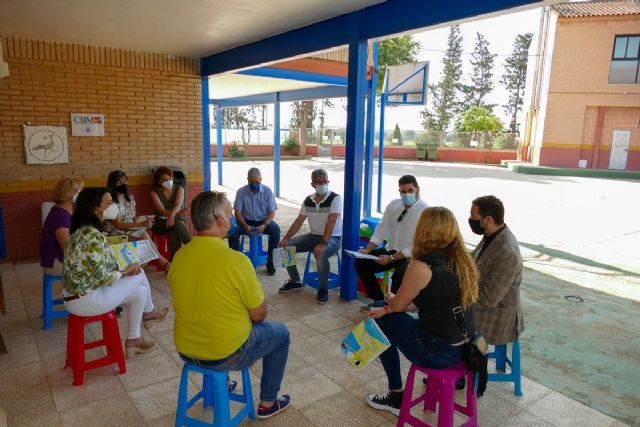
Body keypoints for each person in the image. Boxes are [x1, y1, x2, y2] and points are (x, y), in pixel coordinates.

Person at [168, 191, 291, 420]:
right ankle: (268, 402)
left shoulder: (180, 257)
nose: (233, 219)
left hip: (186, 350)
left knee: (218, 320)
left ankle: (220, 383)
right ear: (219, 220)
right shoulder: (237, 261)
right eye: (229, 213)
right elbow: (259, 314)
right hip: (224, 354)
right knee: (281, 334)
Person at [365, 207, 479, 416]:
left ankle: (396, 395)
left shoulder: (421, 266)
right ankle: (395, 393)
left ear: (422, 231)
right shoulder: (463, 260)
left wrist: (389, 302)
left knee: (380, 319)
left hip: (439, 352)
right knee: (384, 311)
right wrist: (390, 308)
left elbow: (398, 305)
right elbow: (433, 302)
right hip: (465, 346)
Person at [62, 187, 168, 358]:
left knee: (140, 291)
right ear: (96, 209)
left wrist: (123, 269)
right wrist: (125, 272)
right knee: (139, 272)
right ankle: (150, 313)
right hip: (85, 300)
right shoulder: (92, 236)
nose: (113, 206)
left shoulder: (80, 232)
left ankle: (134, 340)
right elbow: (101, 277)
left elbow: (98, 266)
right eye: (109, 203)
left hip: (76, 296)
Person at [356, 175, 428, 312]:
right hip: (391, 250)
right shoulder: (394, 205)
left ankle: (394, 308)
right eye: (403, 191)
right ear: (399, 191)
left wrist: (391, 259)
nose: (407, 194)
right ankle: (378, 301)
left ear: (418, 189)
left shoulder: (425, 212)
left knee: (400, 275)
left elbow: (417, 245)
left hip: (412, 256)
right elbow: (382, 228)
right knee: (361, 263)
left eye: (410, 190)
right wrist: (368, 249)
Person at [277, 169, 342, 304]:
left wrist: (323, 243)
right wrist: (286, 238)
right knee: (286, 247)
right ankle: (295, 280)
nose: (323, 184)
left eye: (325, 181)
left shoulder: (335, 198)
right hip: (312, 236)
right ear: (312, 184)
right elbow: (299, 221)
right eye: (319, 182)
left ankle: (323, 289)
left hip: (332, 239)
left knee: (320, 254)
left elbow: (332, 221)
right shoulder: (308, 200)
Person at [468, 195, 524, 345]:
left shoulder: (507, 253)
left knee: (447, 319)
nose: (470, 219)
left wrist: (459, 294)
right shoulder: (492, 235)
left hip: (496, 319)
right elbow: (475, 260)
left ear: (488, 220)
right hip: (486, 305)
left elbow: (487, 300)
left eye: (474, 216)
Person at [104, 170, 170, 269]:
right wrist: (142, 225)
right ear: (113, 184)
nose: (124, 184)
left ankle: (156, 262)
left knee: (144, 233)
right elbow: (118, 225)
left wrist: (146, 220)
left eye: (125, 181)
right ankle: (164, 263)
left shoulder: (130, 198)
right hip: (115, 234)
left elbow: (134, 218)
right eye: (120, 182)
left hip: (129, 231)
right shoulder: (110, 202)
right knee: (142, 234)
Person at [228, 168, 280, 275]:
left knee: (276, 230)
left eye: (257, 182)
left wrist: (264, 225)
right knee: (232, 231)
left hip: (263, 220)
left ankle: (271, 263)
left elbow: (271, 213)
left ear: (261, 179)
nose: (254, 184)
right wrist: (245, 225)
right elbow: (238, 213)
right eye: (251, 182)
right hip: (245, 220)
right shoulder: (241, 192)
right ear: (247, 180)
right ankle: (235, 264)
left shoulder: (267, 191)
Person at [40, 178, 83, 276]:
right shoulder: (60, 215)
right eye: (80, 191)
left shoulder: (68, 211)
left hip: (63, 258)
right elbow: (67, 248)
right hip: (56, 262)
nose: (83, 195)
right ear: (70, 194)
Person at [149, 166, 191, 258]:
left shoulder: (179, 189)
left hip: (175, 220)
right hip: (160, 223)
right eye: (165, 180)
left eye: (170, 178)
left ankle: (174, 261)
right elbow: (161, 210)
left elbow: (177, 205)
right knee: (177, 223)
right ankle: (191, 247)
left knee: (175, 230)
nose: (168, 181)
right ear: (159, 181)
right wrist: (175, 214)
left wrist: (172, 216)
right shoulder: (154, 193)